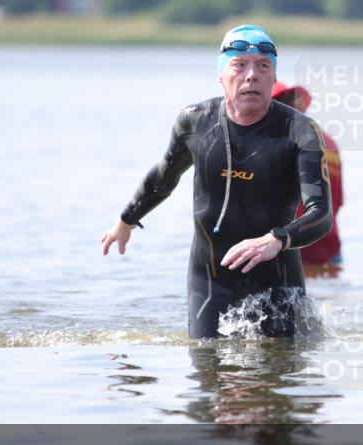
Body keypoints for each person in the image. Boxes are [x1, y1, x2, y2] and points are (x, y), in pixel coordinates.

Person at [101, 24, 333, 339]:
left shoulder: (301, 131)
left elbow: (321, 214)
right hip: (210, 282)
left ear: (274, 77)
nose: (251, 75)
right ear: (221, 76)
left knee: (276, 379)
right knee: (207, 370)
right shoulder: (195, 121)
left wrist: (276, 239)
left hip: (276, 282)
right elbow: (163, 176)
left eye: (263, 66)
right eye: (239, 65)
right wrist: (126, 219)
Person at [271, 82, 343, 266]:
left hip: (293, 241)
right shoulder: (326, 140)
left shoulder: (282, 139)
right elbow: (339, 200)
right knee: (329, 292)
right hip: (329, 242)